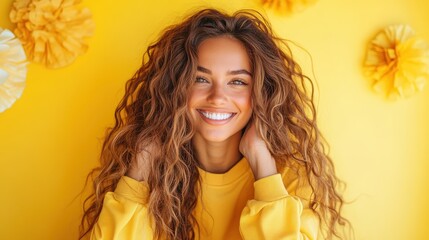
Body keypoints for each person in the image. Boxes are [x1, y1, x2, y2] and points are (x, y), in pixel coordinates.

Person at [80, 8, 350, 240]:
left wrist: (263, 168)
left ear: (261, 92)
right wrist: (141, 165)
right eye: (200, 79)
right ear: (174, 87)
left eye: (237, 82)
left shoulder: (290, 179)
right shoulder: (148, 172)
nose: (218, 97)